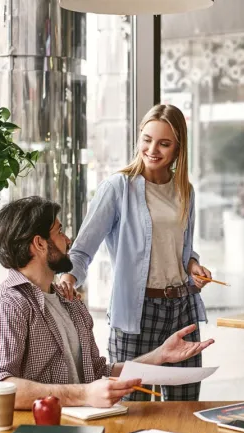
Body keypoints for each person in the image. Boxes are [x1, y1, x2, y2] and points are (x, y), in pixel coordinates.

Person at [0, 197, 214, 409]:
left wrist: (159, 355)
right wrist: (84, 395)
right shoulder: (8, 305)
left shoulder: (68, 302)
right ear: (39, 243)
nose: (68, 240)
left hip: (81, 427)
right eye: (59, 231)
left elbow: (96, 373)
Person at [58, 104, 212, 401]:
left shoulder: (185, 191)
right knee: (131, 408)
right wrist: (69, 279)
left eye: (164, 143)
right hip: (136, 312)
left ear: (179, 148)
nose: (152, 149)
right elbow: (82, 249)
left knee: (184, 407)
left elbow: (183, 249)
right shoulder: (118, 188)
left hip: (181, 309)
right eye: (147, 139)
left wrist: (193, 266)